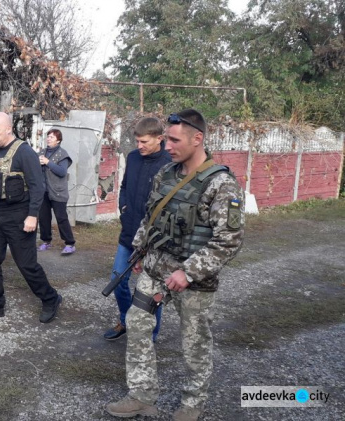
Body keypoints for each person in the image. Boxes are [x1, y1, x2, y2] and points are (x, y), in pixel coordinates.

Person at [105, 109, 245, 421]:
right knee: (138, 324)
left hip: (194, 282)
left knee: (194, 343)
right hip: (155, 271)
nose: (167, 145)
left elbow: (229, 239)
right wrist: (140, 249)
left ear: (198, 139)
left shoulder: (221, 184)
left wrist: (189, 271)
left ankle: (192, 404)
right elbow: (151, 216)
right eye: (166, 138)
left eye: (174, 139)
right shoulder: (166, 174)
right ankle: (141, 394)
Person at [0, 112, 62, 323]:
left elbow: (38, 187)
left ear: (8, 129)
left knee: (26, 264)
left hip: (20, 216)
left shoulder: (24, 152)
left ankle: (51, 298)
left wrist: (32, 216)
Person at [104, 117, 172, 342]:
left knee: (151, 292)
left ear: (159, 139)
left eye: (144, 142)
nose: (139, 146)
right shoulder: (133, 158)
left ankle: (149, 336)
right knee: (117, 281)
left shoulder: (170, 163)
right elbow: (124, 187)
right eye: (137, 141)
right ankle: (126, 321)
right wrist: (123, 208)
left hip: (154, 241)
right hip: (129, 233)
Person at [37, 129, 76, 255]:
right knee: (44, 217)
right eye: (48, 136)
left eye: (52, 137)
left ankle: (70, 243)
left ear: (58, 140)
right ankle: (46, 241)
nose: (49, 139)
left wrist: (48, 162)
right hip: (44, 191)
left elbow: (62, 172)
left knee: (61, 218)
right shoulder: (42, 152)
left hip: (58, 191)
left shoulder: (62, 154)